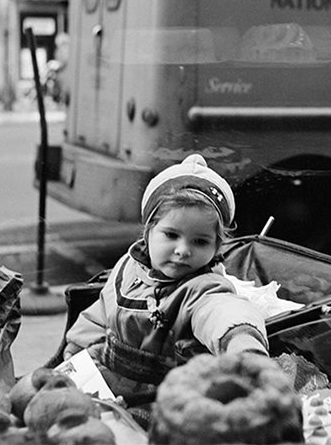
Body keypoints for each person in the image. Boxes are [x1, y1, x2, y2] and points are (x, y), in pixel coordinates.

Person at [60, 153, 269, 409]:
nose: (183, 250)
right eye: (171, 235)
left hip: (169, 402)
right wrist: (77, 347)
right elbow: (100, 312)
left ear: (216, 248)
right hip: (107, 383)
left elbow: (223, 312)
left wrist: (243, 345)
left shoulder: (202, 289)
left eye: (200, 241)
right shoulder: (128, 268)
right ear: (147, 233)